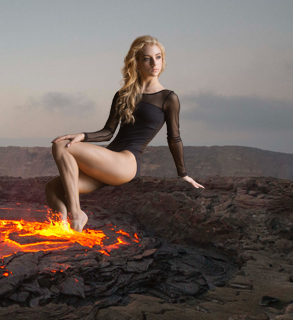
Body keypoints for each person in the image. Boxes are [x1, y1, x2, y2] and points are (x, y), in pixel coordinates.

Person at [47, 35, 204, 232]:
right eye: (147, 58)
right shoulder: (123, 95)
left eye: (158, 57)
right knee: (52, 188)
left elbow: (174, 138)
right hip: (108, 161)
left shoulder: (168, 98)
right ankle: (64, 230)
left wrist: (183, 174)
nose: (154, 63)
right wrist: (82, 136)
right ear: (136, 62)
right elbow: (108, 132)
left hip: (126, 163)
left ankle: (77, 213)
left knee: (61, 145)